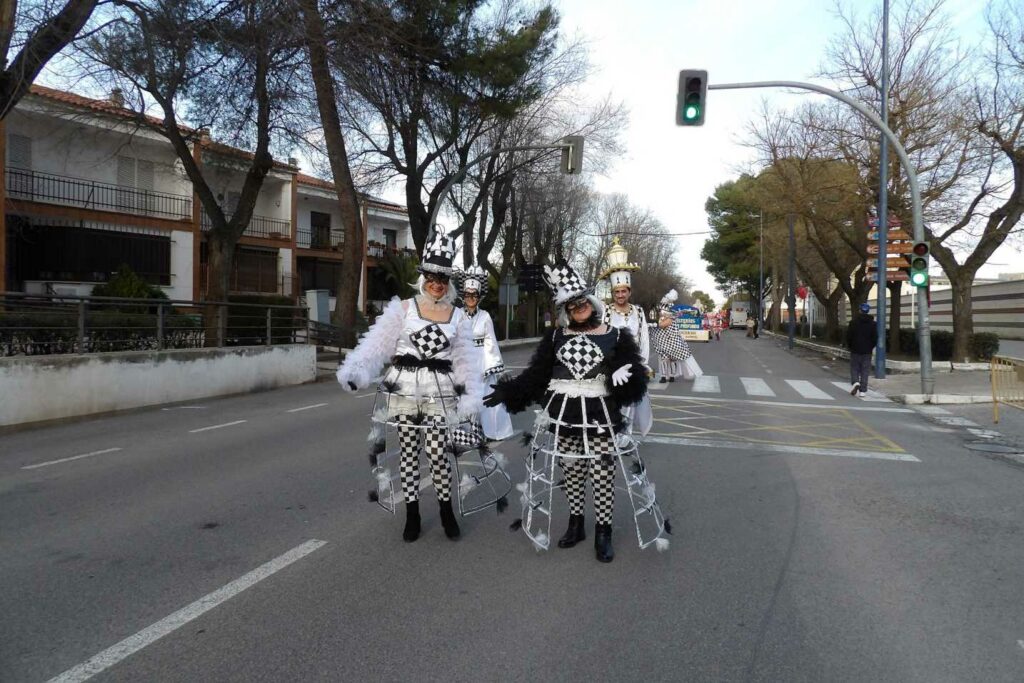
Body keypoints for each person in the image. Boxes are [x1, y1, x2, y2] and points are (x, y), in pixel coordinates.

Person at [483, 260, 670, 563]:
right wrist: (509, 391)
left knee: (602, 471)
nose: (579, 307)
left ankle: (603, 532)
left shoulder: (616, 335)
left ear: (591, 302)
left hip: (600, 415)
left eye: (582, 301)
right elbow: (537, 376)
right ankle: (576, 524)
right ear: (565, 310)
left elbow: (634, 382)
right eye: (572, 305)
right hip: (565, 415)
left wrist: (623, 378)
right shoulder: (555, 337)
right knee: (571, 470)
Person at [337, 229, 491, 542]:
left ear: (448, 282)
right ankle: (413, 515)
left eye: (443, 278)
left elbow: (465, 361)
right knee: (408, 453)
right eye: (432, 276)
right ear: (423, 277)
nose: (437, 283)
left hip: (440, 395)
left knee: (437, 453)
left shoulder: (458, 317)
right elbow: (377, 345)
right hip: (404, 392)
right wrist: (356, 370)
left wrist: (470, 397)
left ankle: (446, 511)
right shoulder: (404, 309)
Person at [599, 238, 652, 438]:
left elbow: (644, 337)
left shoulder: (639, 312)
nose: (620, 295)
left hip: (634, 363)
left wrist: (643, 364)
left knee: (631, 402)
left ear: (629, 292)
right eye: (617, 292)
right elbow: (602, 337)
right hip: (613, 363)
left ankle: (625, 436)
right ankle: (615, 434)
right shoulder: (606, 311)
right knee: (614, 400)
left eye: (623, 291)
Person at [453, 265, 514, 441]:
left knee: (487, 395)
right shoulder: (457, 315)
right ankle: (465, 432)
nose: (471, 298)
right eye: (468, 295)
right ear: (463, 296)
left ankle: (492, 431)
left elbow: (491, 341)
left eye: (474, 295)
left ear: (479, 297)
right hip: (464, 359)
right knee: (463, 395)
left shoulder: (485, 316)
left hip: (482, 360)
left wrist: (490, 366)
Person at [651, 289, 703, 382]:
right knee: (664, 358)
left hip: (670, 335)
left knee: (672, 357)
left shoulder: (671, 308)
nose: (665, 299)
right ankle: (664, 376)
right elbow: (658, 317)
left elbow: (669, 319)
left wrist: (660, 321)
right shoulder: (659, 306)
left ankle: (671, 376)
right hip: (661, 335)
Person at [846, 302, 878, 397]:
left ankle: (855, 382)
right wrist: (870, 347)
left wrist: (850, 346)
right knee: (865, 370)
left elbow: (849, 336)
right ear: (868, 311)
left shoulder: (853, 323)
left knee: (854, 368)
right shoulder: (873, 324)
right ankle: (863, 391)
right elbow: (875, 338)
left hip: (855, 349)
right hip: (867, 351)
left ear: (860, 310)